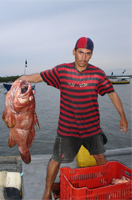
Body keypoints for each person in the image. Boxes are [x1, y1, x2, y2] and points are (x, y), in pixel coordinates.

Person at [18, 37, 128, 200]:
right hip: (67, 129)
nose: (83, 57)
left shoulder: (98, 73)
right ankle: (46, 192)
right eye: (80, 53)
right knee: (55, 160)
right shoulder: (62, 71)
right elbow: (39, 77)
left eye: (88, 54)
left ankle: (106, 188)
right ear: (74, 52)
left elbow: (112, 93)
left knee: (100, 157)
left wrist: (122, 117)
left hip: (92, 128)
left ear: (91, 55)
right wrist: (19, 80)